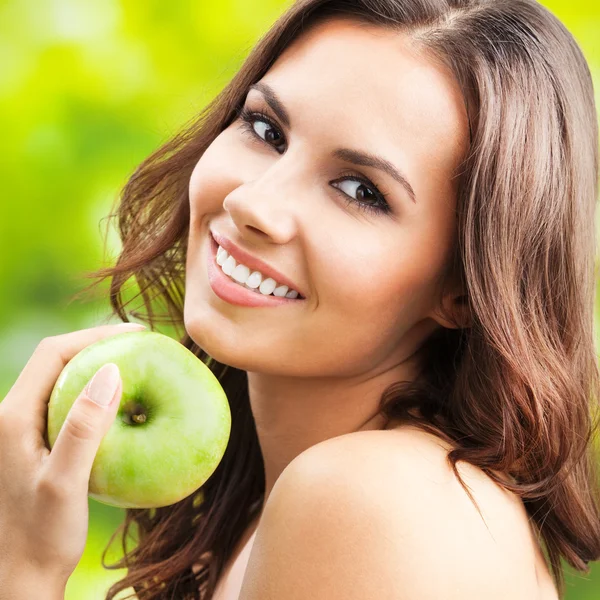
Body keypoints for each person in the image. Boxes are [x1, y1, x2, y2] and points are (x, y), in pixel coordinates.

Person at [1, 0, 599, 598]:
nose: (252, 203)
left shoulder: (369, 500)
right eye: (267, 130)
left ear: (464, 291)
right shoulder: (303, 497)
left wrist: (22, 569)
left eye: (361, 190)